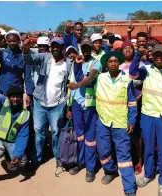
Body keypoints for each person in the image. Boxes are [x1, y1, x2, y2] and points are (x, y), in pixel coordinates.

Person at [130, 44, 162, 196]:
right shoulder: (146, 69)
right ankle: (148, 175)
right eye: (156, 54)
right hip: (148, 115)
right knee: (148, 148)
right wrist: (138, 56)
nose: (159, 57)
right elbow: (133, 74)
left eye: (161, 54)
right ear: (152, 56)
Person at [22, 37, 71, 168]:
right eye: (53, 46)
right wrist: (26, 49)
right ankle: (37, 158)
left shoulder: (68, 63)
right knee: (39, 132)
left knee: (56, 132)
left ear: (62, 48)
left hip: (58, 104)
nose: (55, 49)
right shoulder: (44, 57)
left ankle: (58, 157)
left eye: (58, 46)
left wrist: (67, 104)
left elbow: (69, 83)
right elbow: (28, 60)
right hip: (40, 102)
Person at [95, 51, 137, 196]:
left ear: (119, 63)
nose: (113, 63)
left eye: (115, 61)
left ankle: (130, 187)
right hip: (103, 121)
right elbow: (83, 78)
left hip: (120, 122)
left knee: (124, 155)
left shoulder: (127, 81)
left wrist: (131, 120)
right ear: (106, 64)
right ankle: (110, 171)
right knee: (103, 150)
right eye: (110, 61)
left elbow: (132, 102)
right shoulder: (100, 78)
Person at [67, 38, 102, 182]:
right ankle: (80, 162)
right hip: (76, 102)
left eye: (88, 47)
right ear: (81, 47)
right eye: (84, 47)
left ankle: (90, 168)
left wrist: (78, 85)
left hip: (89, 103)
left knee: (90, 137)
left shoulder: (96, 62)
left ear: (91, 48)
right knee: (79, 135)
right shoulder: (77, 61)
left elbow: (91, 78)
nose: (86, 49)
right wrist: (69, 105)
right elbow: (70, 81)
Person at [0, 29, 34, 118]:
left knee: (15, 120)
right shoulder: (2, 54)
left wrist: (29, 94)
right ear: (7, 42)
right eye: (10, 41)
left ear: (19, 41)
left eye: (14, 41)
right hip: (2, 95)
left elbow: (28, 78)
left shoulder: (24, 56)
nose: (12, 43)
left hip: (16, 97)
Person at [119, 41, 144, 175]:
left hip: (137, 103)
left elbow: (145, 84)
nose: (128, 50)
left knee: (135, 134)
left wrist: (139, 96)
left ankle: (139, 161)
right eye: (125, 48)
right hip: (121, 104)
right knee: (123, 134)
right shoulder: (118, 65)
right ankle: (126, 160)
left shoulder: (140, 65)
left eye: (130, 48)